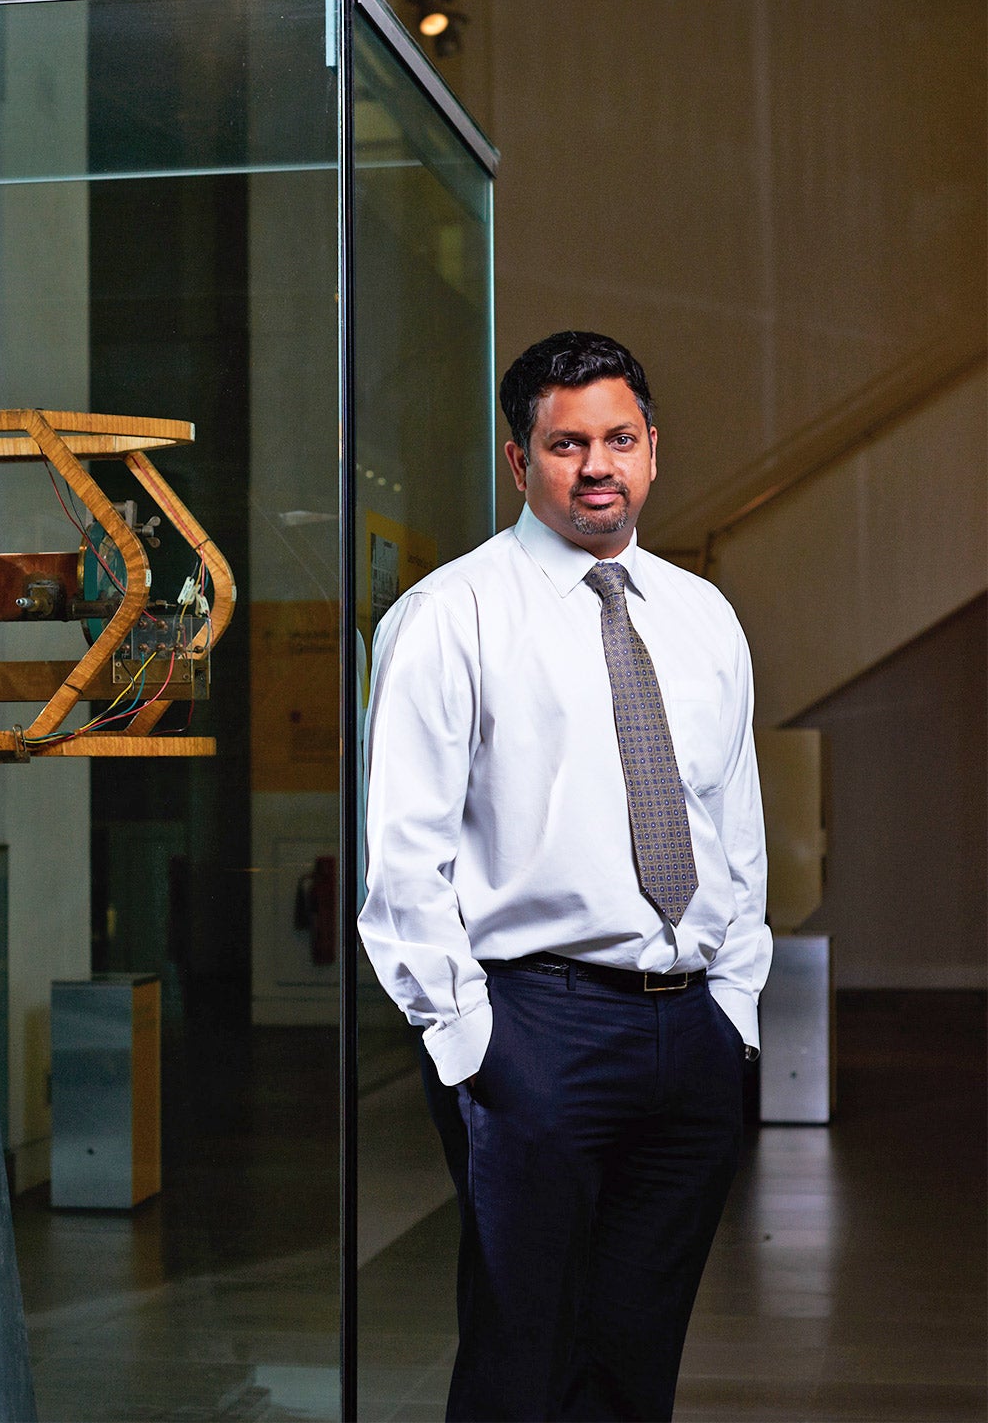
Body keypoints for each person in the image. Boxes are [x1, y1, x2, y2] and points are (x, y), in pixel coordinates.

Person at [359, 330, 771, 1422]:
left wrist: (730, 1010)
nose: (596, 465)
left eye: (617, 439)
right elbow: (402, 858)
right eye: (565, 443)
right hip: (532, 1030)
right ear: (517, 460)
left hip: (686, 1036)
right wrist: (469, 1046)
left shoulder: (701, 620)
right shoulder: (447, 617)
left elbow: (734, 831)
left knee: (635, 1356)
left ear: (651, 450)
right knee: (519, 1354)